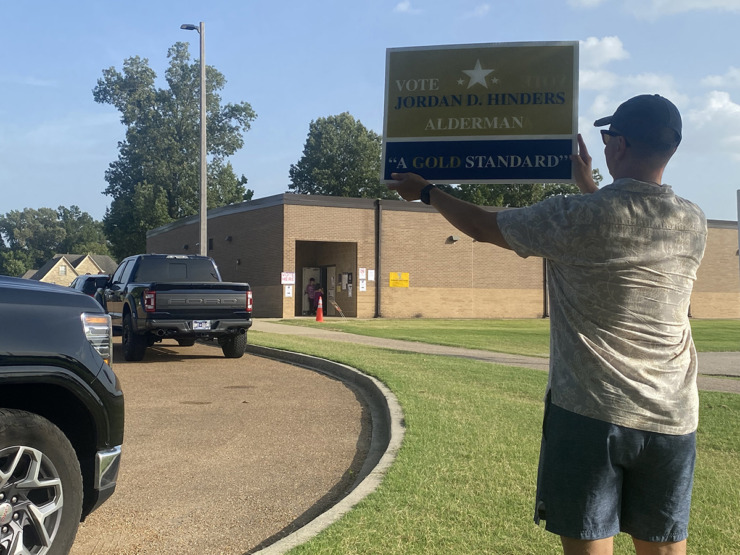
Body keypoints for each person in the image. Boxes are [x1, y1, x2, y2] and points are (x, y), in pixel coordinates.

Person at [389, 94, 706, 555]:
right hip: (674, 416)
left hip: (589, 413)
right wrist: (591, 186)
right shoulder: (692, 222)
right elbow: (623, 231)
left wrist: (425, 191)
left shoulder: (573, 216)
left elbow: (481, 225)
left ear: (616, 145)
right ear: (671, 149)